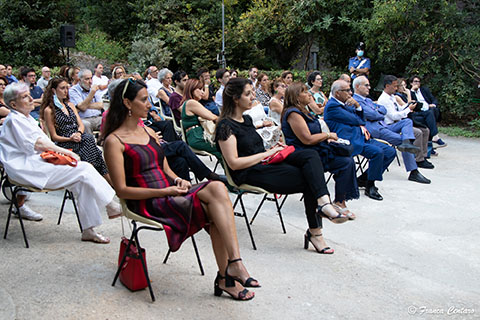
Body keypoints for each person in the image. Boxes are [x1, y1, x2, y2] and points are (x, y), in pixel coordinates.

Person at [103, 78, 257, 300]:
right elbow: (123, 191)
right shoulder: (114, 141)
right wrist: (166, 191)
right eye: (144, 100)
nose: (150, 105)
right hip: (147, 202)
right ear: (127, 103)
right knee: (216, 208)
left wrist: (177, 180)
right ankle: (227, 276)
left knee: (217, 189)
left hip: (169, 193)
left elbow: (164, 167)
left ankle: (234, 264)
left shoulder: (146, 132)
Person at [216, 78, 350, 255]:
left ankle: (323, 204)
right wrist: (266, 154)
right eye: (248, 94)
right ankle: (316, 231)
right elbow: (234, 162)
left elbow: (254, 147)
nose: (253, 96)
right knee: (310, 178)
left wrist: (273, 149)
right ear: (235, 98)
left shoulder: (246, 120)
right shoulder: (225, 126)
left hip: (264, 164)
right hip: (248, 172)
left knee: (310, 155)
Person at [0, 82, 121, 242]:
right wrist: (66, 153)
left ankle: (89, 229)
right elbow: (39, 144)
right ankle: (110, 204)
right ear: (13, 104)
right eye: (24, 97)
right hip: (26, 169)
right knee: (84, 169)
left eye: (29, 95)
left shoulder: (25, 118)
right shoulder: (14, 120)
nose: (31, 99)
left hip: (38, 163)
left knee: (82, 179)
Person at [282, 82, 359, 218]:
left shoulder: (304, 111)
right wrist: (327, 135)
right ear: (296, 97)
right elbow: (307, 139)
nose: (309, 94)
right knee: (344, 162)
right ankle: (326, 203)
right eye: (305, 92)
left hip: (316, 150)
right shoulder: (293, 113)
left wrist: (325, 138)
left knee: (347, 161)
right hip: (304, 154)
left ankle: (340, 201)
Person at [324, 80, 396, 201]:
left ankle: (364, 178)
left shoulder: (345, 103)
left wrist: (358, 107)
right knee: (377, 152)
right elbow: (360, 121)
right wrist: (357, 107)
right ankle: (370, 185)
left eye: (349, 90)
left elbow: (360, 119)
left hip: (361, 138)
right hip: (348, 142)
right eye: (346, 90)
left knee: (390, 151)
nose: (350, 93)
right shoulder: (332, 106)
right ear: (337, 93)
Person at [353, 76, 432, 184]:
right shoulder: (356, 100)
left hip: (384, 125)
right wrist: (377, 112)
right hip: (375, 130)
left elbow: (382, 110)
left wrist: (377, 112)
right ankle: (413, 171)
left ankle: (407, 145)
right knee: (403, 141)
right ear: (357, 86)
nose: (369, 87)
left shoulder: (368, 100)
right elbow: (372, 114)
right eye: (366, 85)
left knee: (407, 122)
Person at [40, 77, 111, 182]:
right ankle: (103, 180)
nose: (65, 91)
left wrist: (78, 133)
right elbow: (54, 136)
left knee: (89, 142)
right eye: (62, 88)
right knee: (91, 144)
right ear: (54, 90)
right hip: (65, 142)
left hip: (79, 138)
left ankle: (94, 177)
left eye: (67, 88)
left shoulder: (70, 105)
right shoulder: (49, 110)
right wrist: (70, 138)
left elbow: (81, 125)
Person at [181, 79, 222, 160]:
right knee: (224, 147)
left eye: (203, 89)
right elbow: (212, 117)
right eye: (199, 89)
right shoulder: (191, 103)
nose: (202, 92)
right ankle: (232, 171)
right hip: (197, 137)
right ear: (191, 89)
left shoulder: (189, 103)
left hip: (197, 136)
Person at [409, 75, 446, 148]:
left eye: (419, 82)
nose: (417, 83)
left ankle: (430, 145)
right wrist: (412, 91)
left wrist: (433, 104)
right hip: (419, 111)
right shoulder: (409, 92)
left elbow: (433, 99)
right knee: (430, 114)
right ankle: (435, 137)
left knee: (432, 111)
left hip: (429, 109)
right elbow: (411, 103)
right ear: (411, 83)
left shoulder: (424, 90)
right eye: (415, 81)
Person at [69, 69, 104, 134]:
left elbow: (101, 105)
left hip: (97, 117)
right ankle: (90, 144)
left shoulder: (92, 87)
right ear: (79, 80)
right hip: (83, 119)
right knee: (85, 125)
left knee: (110, 120)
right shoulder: (73, 91)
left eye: (91, 78)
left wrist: (84, 105)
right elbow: (82, 107)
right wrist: (92, 93)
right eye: (87, 79)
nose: (90, 81)